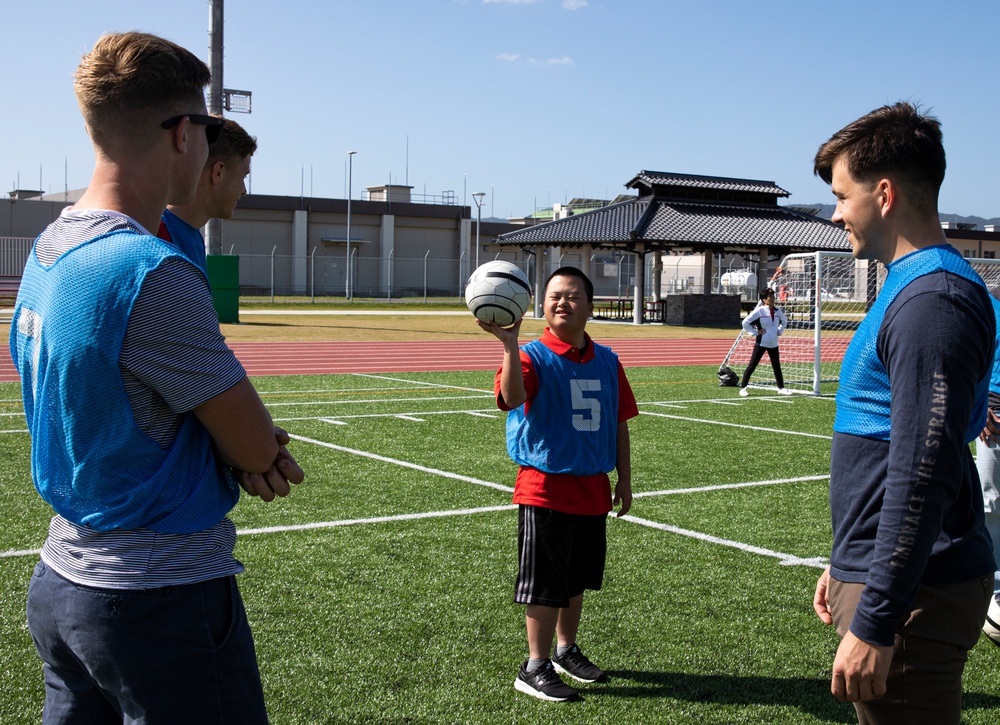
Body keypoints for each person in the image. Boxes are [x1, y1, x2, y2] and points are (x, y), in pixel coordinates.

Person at [9, 32, 304, 723]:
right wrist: (249, 452)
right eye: (203, 125)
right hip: (155, 596)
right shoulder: (149, 270)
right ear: (180, 134)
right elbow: (257, 447)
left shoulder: (48, 247)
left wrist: (234, 443)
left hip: (62, 580)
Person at [810, 101, 995, 724]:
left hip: (920, 591)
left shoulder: (930, 301)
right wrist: (848, 558)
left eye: (842, 195)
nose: (836, 213)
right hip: (896, 577)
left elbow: (924, 469)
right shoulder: (911, 284)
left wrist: (880, 613)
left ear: (883, 193)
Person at [479, 266, 637, 703]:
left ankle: (565, 650)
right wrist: (509, 346)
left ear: (590, 305)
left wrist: (624, 478)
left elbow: (620, 421)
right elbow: (510, 399)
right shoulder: (530, 354)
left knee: (574, 581)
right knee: (546, 584)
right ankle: (533, 666)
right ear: (542, 306)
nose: (562, 302)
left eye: (571, 296)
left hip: (592, 488)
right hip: (545, 488)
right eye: (554, 296)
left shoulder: (607, 358)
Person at [158, 116, 256, 272]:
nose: (244, 191)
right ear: (218, 172)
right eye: (243, 176)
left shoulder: (192, 237)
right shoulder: (158, 237)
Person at [976, 288, 1000, 636]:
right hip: (995, 412)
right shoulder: (988, 301)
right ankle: (993, 590)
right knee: (991, 500)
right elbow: (971, 356)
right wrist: (977, 407)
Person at [738, 287, 790, 396]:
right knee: (752, 365)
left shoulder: (777, 311)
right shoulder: (759, 311)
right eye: (769, 297)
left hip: (774, 343)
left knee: (776, 366)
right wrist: (755, 332)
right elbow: (745, 323)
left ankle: (781, 388)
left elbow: (784, 321)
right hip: (762, 342)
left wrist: (780, 331)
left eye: (773, 296)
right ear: (764, 300)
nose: (772, 298)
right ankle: (743, 388)